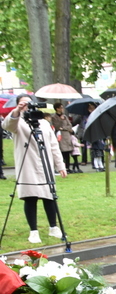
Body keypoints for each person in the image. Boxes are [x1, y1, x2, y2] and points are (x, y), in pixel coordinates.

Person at [1, 94, 68, 243]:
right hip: (28, 164)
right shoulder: (18, 121)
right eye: (22, 103)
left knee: (49, 196)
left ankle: (53, 227)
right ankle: (33, 231)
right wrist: (18, 111)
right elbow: (7, 125)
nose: (26, 105)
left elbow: (53, 145)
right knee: (30, 198)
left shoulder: (43, 123)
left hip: (45, 163)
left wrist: (60, 165)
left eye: (28, 103)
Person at [50, 103, 74, 173]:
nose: (62, 109)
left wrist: (64, 128)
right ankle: (62, 167)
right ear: (57, 108)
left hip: (67, 135)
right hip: (60, 135)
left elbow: (69, 125)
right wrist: (61, 121)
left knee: (68, 152)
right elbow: (57, 126)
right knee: (62, 152)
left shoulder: (65, 116)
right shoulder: (54, 117)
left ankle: (68, 167)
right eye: (61, 107)